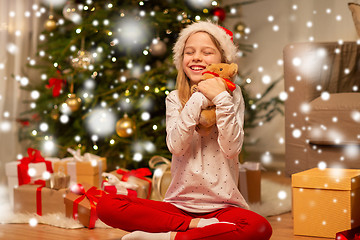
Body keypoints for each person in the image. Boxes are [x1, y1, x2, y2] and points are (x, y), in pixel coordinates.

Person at [96, 20, 272, 240]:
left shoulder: (232, 97)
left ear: (223, 62)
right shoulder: (174, 98)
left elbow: (231, 148)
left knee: (260, 227)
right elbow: (176, 147)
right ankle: (196, 227)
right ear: (182, 61)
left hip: (223, 207)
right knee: (106, 205)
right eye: (190, 52)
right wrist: (199, 95)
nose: (197, 57)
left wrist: (219, 96)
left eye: (207, 52)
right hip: (178, 206)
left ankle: (167, 237)